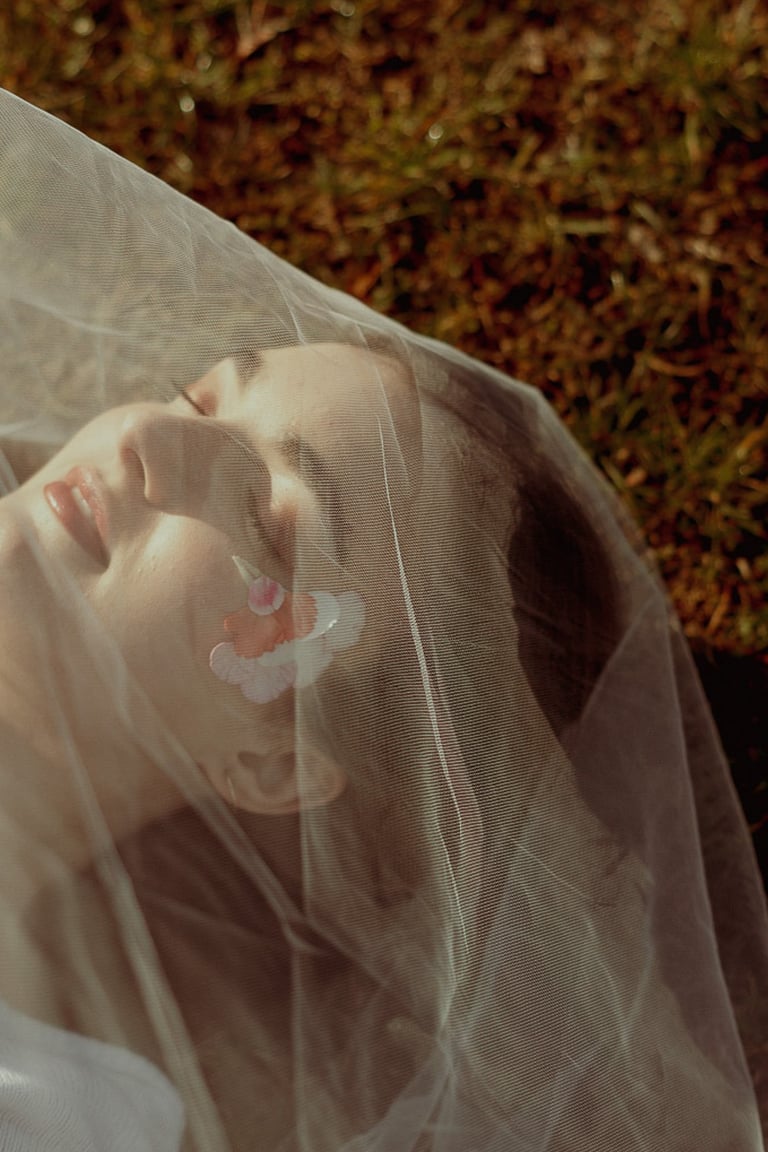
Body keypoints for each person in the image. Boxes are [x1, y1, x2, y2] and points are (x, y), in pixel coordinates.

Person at [0, 87, 766, 1152]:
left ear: (275, 765)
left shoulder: (48, 1111)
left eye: (268, 524)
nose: (142, 439)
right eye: (204, 400)